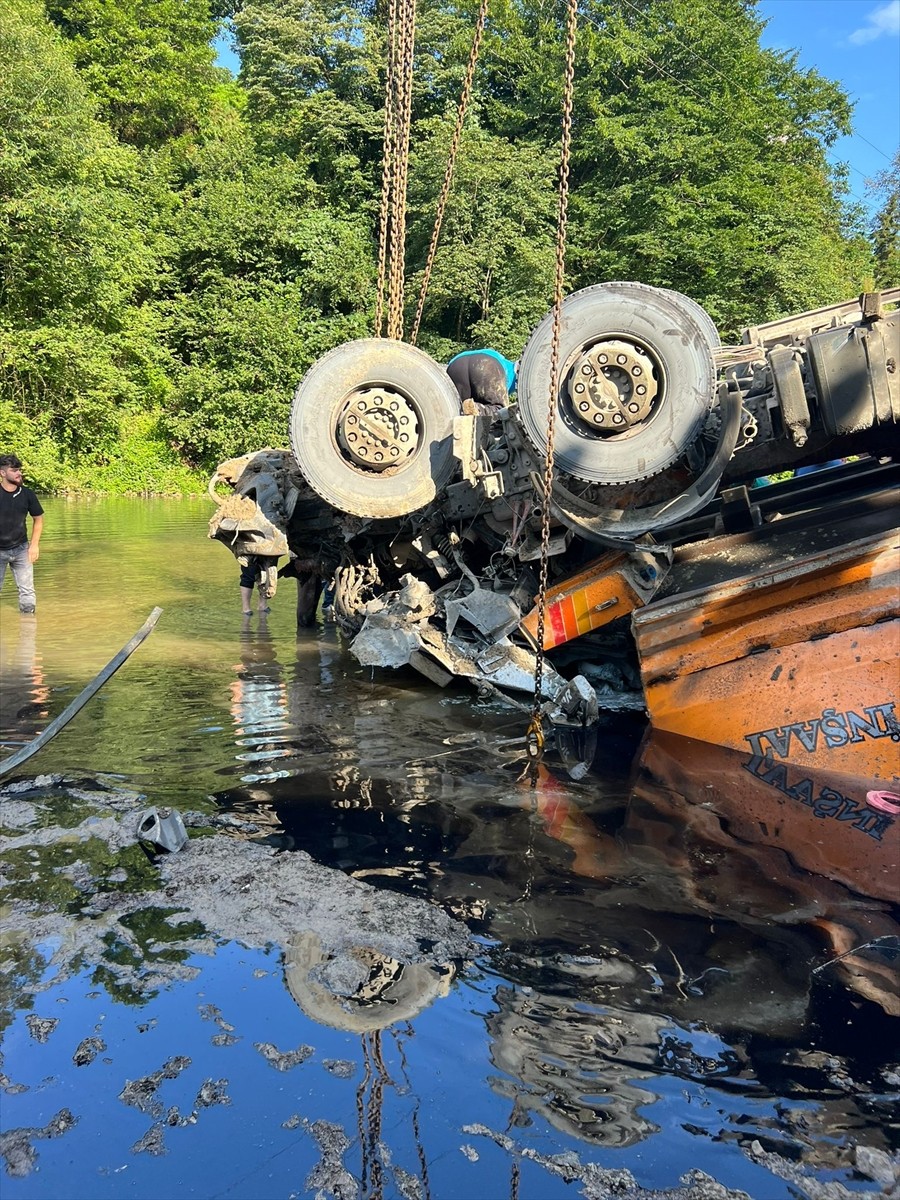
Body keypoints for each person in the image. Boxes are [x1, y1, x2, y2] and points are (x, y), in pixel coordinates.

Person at [0, 453, 44, 615]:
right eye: (14, 470)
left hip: (21, 549)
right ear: (3, 473)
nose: (19, 473)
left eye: (19, 470)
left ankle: (28, 627)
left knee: (27, 592)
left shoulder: (27, 494)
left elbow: (38, 519)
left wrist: (34, 545)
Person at [446, 349, 517, 416]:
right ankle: (477, 409)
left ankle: (470, 408)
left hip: (455, 364)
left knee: (457, 410)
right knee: (499, 411)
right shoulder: (518, 375)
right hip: (488, 364)